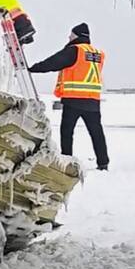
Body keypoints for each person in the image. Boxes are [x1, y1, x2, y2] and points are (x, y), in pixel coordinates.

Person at [28, 23, 109, 170]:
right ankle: (103, 163)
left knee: (67, 131)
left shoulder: (74, 50)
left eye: (71, 35)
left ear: (77, 36)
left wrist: (34, 68)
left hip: (74, 100)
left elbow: (54, 62)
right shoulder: (98, 53)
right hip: (93, 100)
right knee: (96, 132)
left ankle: (67, 160)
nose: (69, 38)